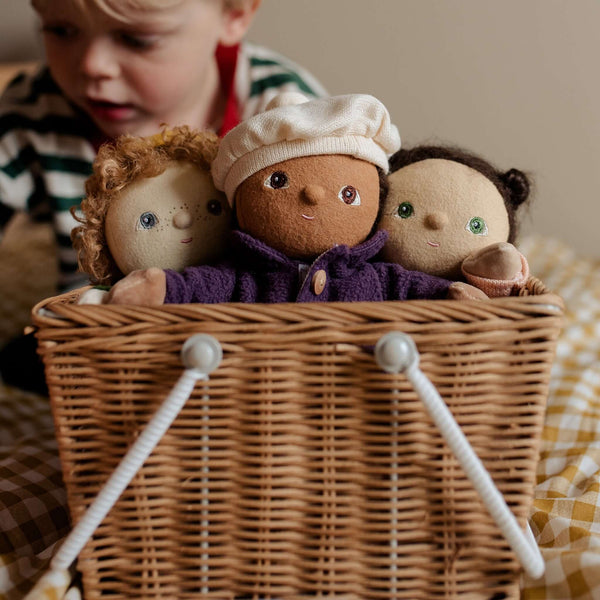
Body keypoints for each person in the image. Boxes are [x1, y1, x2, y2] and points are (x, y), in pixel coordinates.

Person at [0, 0, 327, 392]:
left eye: (137, 39)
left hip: (252, 344)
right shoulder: (34, 112)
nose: (93, 65)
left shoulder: (283, 111)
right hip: (106, 341)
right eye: (61, 31)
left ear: (234, 15)